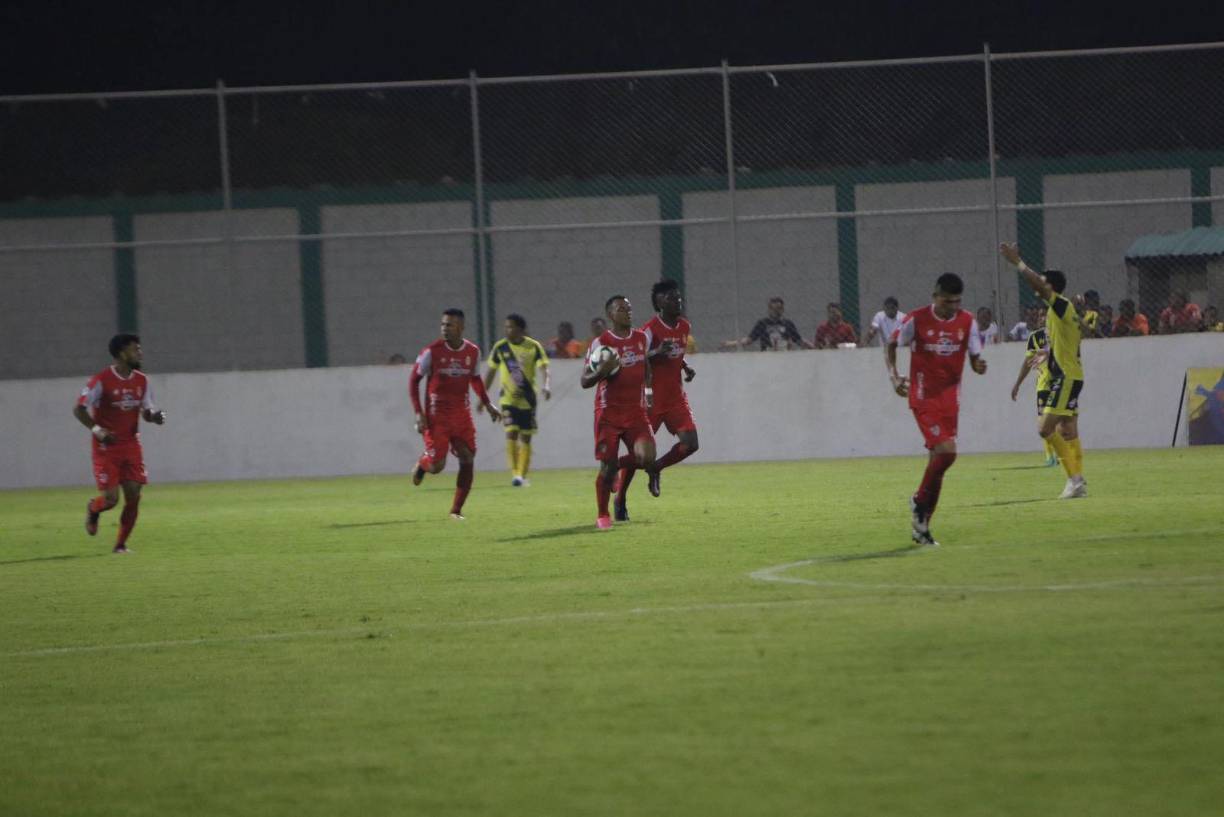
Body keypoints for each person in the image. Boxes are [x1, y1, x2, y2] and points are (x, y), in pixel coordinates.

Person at [885, 273, 986, 547]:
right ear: (935, 296)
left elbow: (976, 357)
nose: (952, 306)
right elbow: (891, 343)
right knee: (947, 453)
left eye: (956, 302)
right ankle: (919, 501)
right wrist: (894, 376)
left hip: (950, 400)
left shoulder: (968, 322)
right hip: (923, 397)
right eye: (946, 301)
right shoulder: (916, 320)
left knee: (937, 464)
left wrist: (978, 365)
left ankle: (923, 528)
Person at [1000, 243, 1089, 499]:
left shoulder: (1060, 304)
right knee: (1068, 430)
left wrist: (1019, 263)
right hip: (1073, 375)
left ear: (1051, 287)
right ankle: (1077, 482)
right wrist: (1048, 353)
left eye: (1042, 282)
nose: (1038, 285)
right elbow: (1072, 339)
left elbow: (1038, 285)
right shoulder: (1062, 310)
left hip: (1065, 377)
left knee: (1044, 428)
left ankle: (1075, 479)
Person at [74, 333, 167, 554]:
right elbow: (79, 408)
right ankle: (94, 509)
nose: (140, 353)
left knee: (134, 494)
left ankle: (120, 545)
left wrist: (154, 416)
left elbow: (146, 410)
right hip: (106, 448)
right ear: (121, 353)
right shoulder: (101, 380)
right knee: (111, 499)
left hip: (131, 445)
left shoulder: (142, 380)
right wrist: (97, 430)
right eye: (135, 349)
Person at [614, 280, 699, 518]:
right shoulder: (649, 330)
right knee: (639, 454)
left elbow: (676, 353)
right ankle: (619, 496)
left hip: (675, 398)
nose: (678, 300)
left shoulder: (684, 326)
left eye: (679, 297)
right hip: (649, 399)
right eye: (672, 297)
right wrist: (655, 353)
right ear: (660, 303)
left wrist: (684, 366)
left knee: (691, 443)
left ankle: (656, 469)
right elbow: (637, 358)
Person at [409, 308, 501, 520]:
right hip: (436, 414)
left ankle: (456, 511)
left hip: (461, 412)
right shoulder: (431, 352)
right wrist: (418, 413)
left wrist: (488, 405)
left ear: (460, 327)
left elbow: (475, 379)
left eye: (449, 325)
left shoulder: (472, 351)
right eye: (442, 324)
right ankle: (423, 464)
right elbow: (414, 380)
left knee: (468, 457)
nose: (444, 328)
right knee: (437, 466)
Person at [581, 295, 655, 530]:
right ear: (611, 315)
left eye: (629, 308)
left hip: (635, 412)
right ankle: (603, 514)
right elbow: (584, 381)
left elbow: (647, 369)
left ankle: (614, 467)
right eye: (621, 309)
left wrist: (649, 392)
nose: (628, 312)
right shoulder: (601, 342)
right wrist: (601, 370)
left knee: (648, 457)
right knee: (606, 467)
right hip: (608, 414)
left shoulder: (641, 338)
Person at [483, 313, 551, 487]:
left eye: (511, 327)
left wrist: (547, 385)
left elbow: (544, 368)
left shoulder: (533, 346)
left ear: (521, 329)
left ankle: (522, 474)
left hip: (528, 399)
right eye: (506, 327)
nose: (507, 330)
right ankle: (515, 475)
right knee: (511, 432)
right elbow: (490, 372)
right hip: (507, 399)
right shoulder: (501, 348)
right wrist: (483, 396)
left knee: (526, 438)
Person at [1009, 323, 1059, 466]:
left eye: (1045, 313)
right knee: (1044, 421)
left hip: (1061, 381)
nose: (1043, 317)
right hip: (1043, 384)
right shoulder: (1035, 337)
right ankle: (1050, 457)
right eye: (1040, 314)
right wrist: (1018, 384)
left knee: (1061, 421)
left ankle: (1061, 454)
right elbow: (1027, 363)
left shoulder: (1060, 331)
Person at [721, 297, 807, 351]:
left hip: (784, 357)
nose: (775, 311)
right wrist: (730, 343)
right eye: (772, 308)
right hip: (766, 357)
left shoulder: (788, 324)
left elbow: (799, 341)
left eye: (778, 308)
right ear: (769, 309)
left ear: (782, 309)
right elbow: (749, 340)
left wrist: (813, 347)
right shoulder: (762, 323)